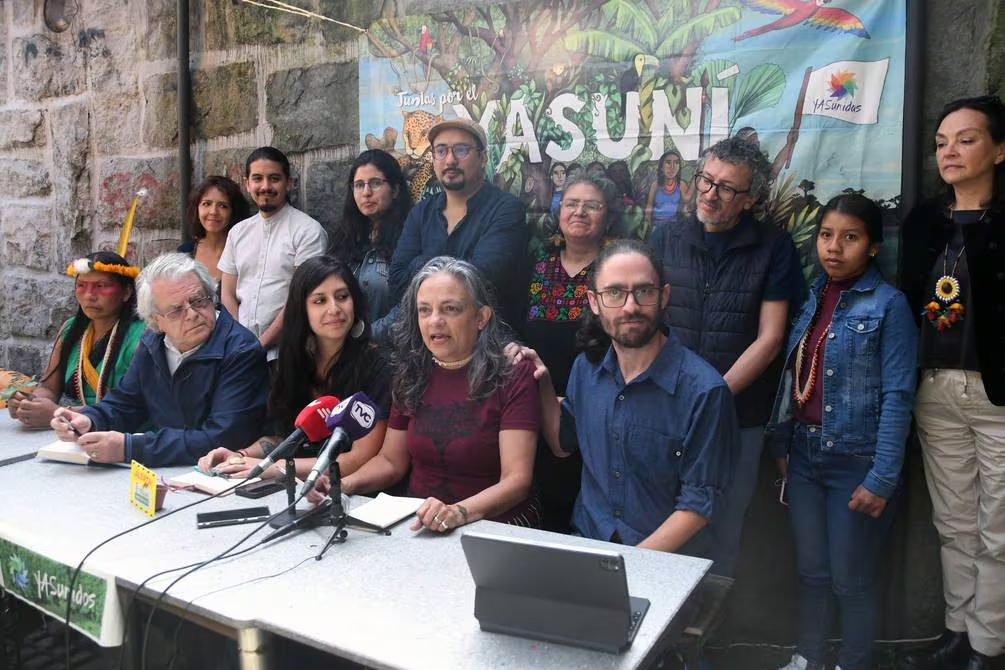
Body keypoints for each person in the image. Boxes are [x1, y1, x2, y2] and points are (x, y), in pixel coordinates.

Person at [766, 195, 917, 670]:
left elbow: (898, 395)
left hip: (857, 460)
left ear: (873, 247)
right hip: (805, 458)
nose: (834, 248)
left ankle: (852, 663)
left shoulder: (889, 306)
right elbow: (795, 381)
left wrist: (882, 477)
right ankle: (808, 658)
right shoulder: (812, 297)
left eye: (850, 238)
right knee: (812, 573)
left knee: (850, 580)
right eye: (826, 235)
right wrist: (782, 445)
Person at [516, 239, 737, 557]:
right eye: (615, 293)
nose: (630, 307)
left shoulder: (705, 392)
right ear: (594, 301)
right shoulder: (587, 370)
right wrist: (542, 382)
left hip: (666, 564)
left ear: (664, 297)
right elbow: (562, 445)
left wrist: (630, 567)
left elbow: (699, 505)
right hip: (588, 544)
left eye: (644, 291)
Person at [650, 135, 805, 577]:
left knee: (722, 527)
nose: (710, 194)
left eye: (727, 188)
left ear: (751, 198)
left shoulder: (773, 247)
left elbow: (771, 338)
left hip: (736, 417)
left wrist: (714, 397)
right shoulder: (667, 237)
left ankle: (705, 640)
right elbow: (648, 323)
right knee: (661, 521)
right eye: (706, 180)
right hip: (665, 409)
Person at [898, 95, 1005, 670]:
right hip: (937, 391)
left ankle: (988, 648)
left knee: (1000, 529)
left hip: (996, 395)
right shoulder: (926, 221)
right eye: (941, 142)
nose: (950, 151)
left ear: (1000, 148)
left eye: (966, 139)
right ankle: (957, 635)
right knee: (954, 522)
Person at [319, 257, 541, 532]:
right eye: (424, 310)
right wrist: (343, 486)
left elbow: (516, 480)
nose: (435, 321)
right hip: (419, 524)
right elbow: (391, 461)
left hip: (494, 526)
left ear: (481, 318)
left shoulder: (513, 372)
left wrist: (458, 512)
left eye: (450, 309)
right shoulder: (411, 373)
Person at [50, 253, 269, 467]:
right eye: (176, 311)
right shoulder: (152, 342)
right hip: (171, 467)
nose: (192, 314)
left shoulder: (240, 351)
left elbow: (223, 437)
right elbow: (127, 402)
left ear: (211, 297)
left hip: (229, 473)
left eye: (199, 301)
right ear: (156, 320)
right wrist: (90, 419)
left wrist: (130, 448)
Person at [198, 256, 391, 480]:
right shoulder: (292, 360)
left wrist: (277, 468)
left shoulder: (379, 366)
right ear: (302, 309)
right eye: (320, 301)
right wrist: (240, 456)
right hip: (299, 489)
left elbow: (357, 459)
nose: (334, 308)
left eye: (342, 296)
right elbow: (282, 438)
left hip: (355, 495)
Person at [523, 174, 621, 531]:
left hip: (594, 410)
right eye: (571, 204)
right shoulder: (535, 268)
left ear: (607, 218)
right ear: (558, 212)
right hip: (533, 408)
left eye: (592, 206)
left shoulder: (613, 274)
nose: (580, 212)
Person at [385, 119, 529, 332]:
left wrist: (419, 263)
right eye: (441, 151)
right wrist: (459, 267)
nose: (450, 160)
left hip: (488, 348)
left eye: (461, 150)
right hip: (426, 345)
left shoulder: (506, 210)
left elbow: (482, 281)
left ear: (482, 158)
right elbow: (396, 282)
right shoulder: (421, 213)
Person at [7, 252, 145, 429]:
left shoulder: (142, 335)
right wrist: (31, 404)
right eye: (81, 285)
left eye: (101, 286)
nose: (89, 295)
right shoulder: (71, 329)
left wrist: (59, 413)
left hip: (125, 434)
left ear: (126, 292)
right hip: (74, 429)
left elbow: (136, 407)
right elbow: (49, 388)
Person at [220, 146, 328, 361]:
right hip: (238, 352)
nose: (265, 186)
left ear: (288, 183)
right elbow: (227, 293)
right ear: (247, 183)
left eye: (274, 178)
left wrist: (259, 346)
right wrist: (240, 341)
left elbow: (300, 297)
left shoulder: (308, 231)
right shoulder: (237, 233)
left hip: (287, 354)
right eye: (257, 178)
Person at [330, 149, 412, 332]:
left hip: (390, 349)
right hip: (344, 346)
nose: (366, 192)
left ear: (396, 189)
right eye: (359, 185)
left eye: (375, 183)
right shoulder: (343, 235)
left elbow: (411, 304)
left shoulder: (411, 237)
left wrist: (367, 336)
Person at [177, 175, 250, 286]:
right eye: (207, 204)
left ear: (233, 211)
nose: (213, 212)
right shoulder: (184, 253)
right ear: (197, 209)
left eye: (222, 206)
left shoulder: (245, 254)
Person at [644, 148, 691, 238]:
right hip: (657, 225)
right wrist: (649, 226)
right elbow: (649, 207)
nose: (672, 167)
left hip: (675, 227)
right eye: (668, 162)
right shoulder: (656, 184)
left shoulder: (681, 184)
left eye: (676, 163)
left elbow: (686, 204)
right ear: (661, 167)